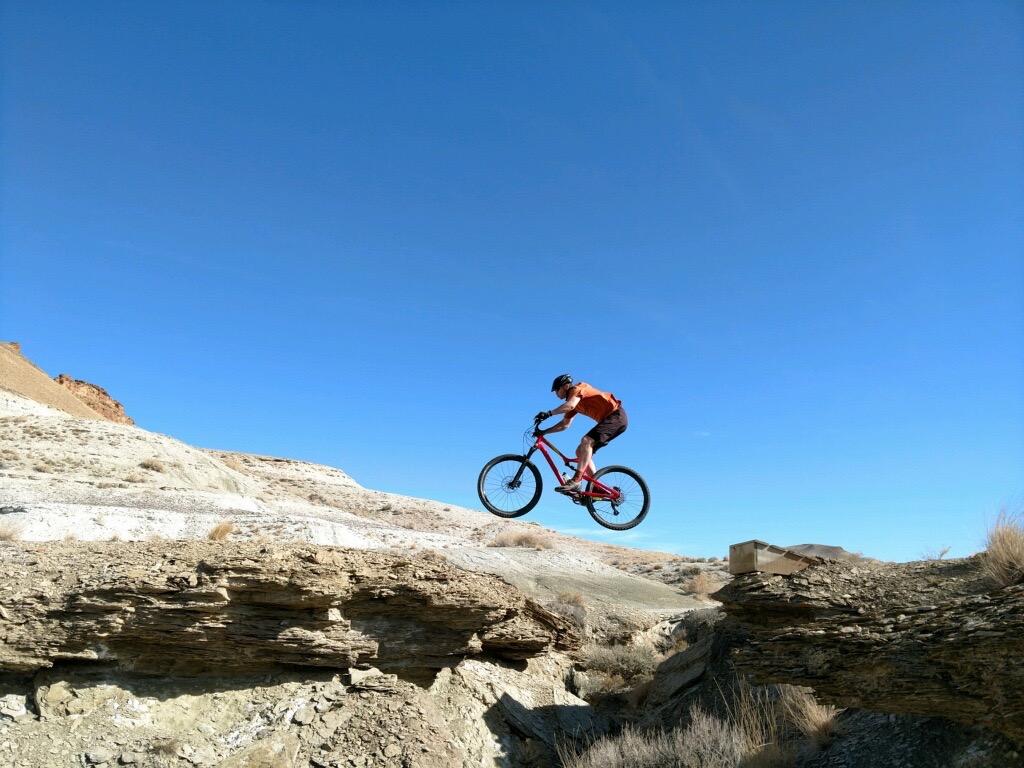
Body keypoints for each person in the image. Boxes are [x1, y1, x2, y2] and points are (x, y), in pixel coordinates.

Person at [534, 373, 628, 493]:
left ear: (565, 386)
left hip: (616, 416)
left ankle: (577, 480)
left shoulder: (577, 389)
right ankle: (598, 487)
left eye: (556, 390)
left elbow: (570, 405)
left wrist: (548, 413)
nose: (556, 394)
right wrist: (544, 432)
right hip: (609, 420)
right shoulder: (573, 402)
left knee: (586, 441)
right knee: (580, 452)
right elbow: (564, 424)